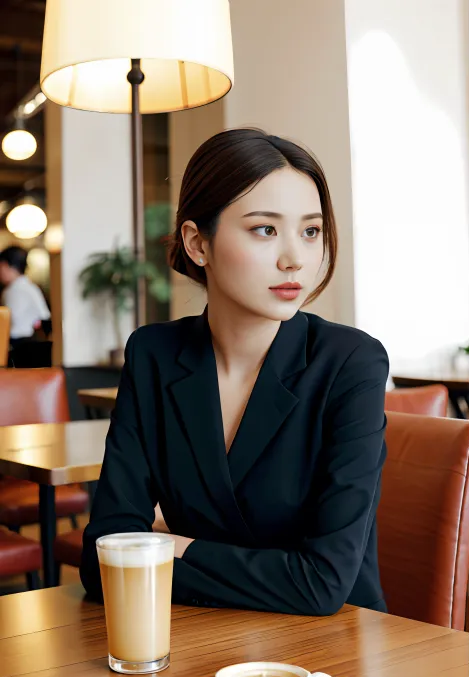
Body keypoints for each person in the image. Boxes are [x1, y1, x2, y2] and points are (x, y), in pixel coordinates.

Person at [81, 128, 389, 615]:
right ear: (197, 243)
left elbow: (322, 584)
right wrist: (274, 570)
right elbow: (103, 557)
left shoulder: (350, 362)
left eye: (310, 231)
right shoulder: (153, 355)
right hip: (195, 640)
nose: (295, 259)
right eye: (265, 229)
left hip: (332, 657)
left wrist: (173, 548)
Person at [0, 246, 52, 360]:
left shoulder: (14, 290)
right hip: (36, 346)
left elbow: (8, 324)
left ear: (6, 266)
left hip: (22, 348)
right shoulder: (30, 286)